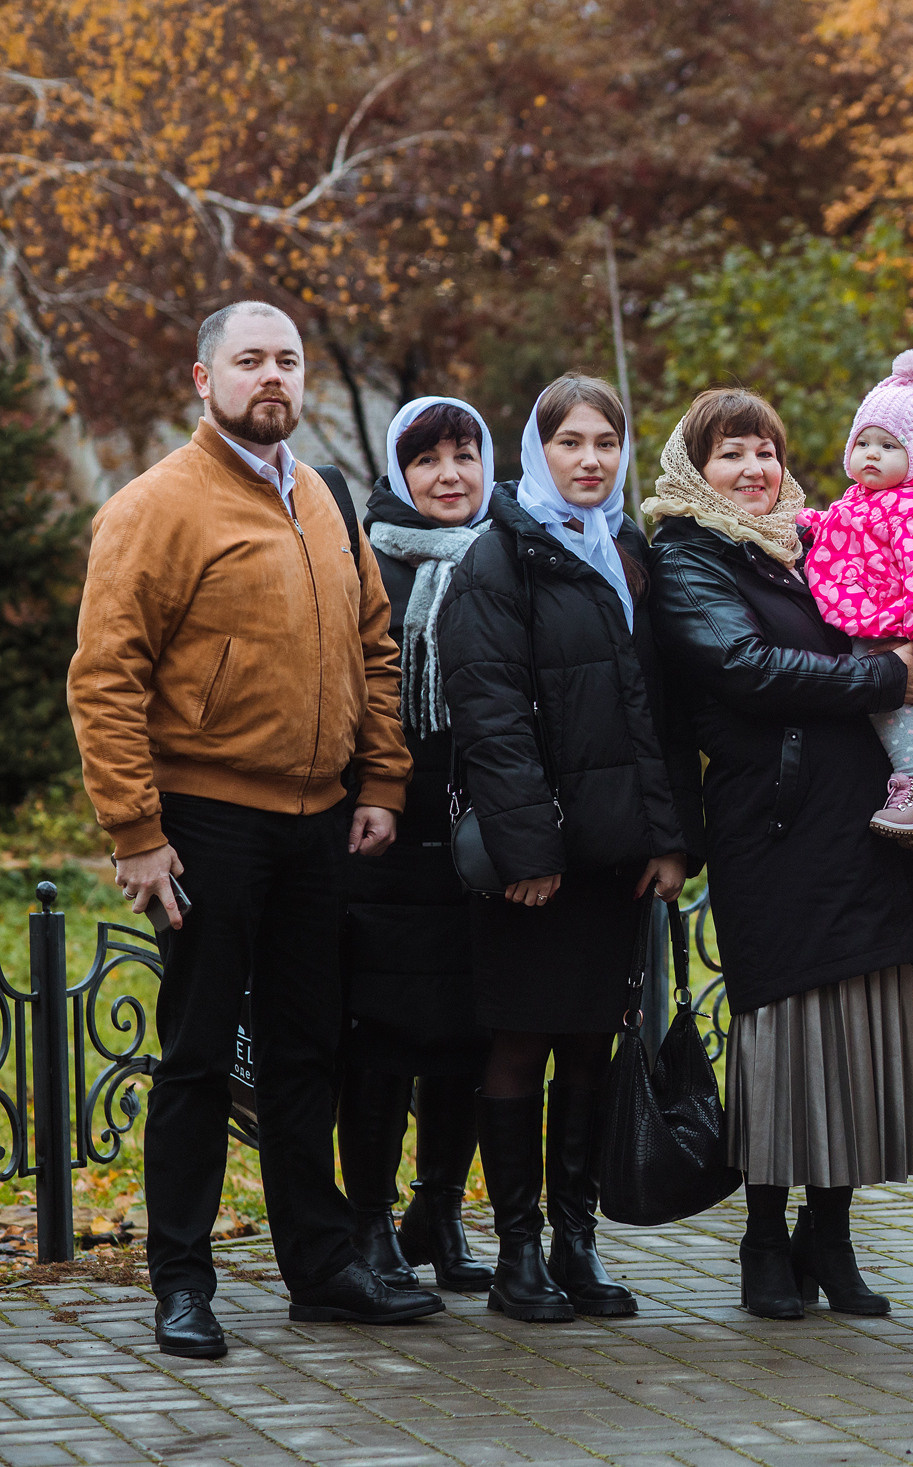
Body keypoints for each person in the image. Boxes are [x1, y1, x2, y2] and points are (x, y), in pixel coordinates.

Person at [67, 300, 443, 1359]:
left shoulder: (319, 495)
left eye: (287, 359)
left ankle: (321, 1271)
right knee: (194, 1057)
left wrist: (382, 781)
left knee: (305, 1053)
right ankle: (182, 1283)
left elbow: (374, 646)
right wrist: (136, 831)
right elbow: (104, 678)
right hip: (206, 824)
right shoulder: (155, 506)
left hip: (320, 822)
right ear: (204, 379)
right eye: (249, 360)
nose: (271, 376)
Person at [647, 387, 913, 1320]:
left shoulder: (811, 543)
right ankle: (765, 1238)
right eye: (731, 453)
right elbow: (745, 669)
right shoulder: (688, 554)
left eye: (766, 452)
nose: (754, 470)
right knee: (781, 1034)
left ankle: (830, 1235)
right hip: (772, 830)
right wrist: (882, 675)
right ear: (697, 467)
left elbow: (885, 609)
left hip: (860, 824)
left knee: (854, 1030)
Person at [439, 374, 700, 1324]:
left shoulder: (629, 549)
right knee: (521, 1043)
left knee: (593, 1044)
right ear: (536, 451)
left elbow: (659, 713)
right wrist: (528, 850)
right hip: (536, 867)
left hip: (617, 858)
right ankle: (517, 1255)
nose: (590, 459)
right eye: (570, 442)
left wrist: (670, 840)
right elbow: (490, 713)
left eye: (605, 442)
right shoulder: (499, 557)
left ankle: (573, 1243)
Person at [338, 396, 500, 1296]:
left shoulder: (504, 556)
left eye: (464, 454)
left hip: (478, 842)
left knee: (469, 1034)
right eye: (429, 458)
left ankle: (437, 1208)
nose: (449, 475)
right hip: (386, 838)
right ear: (400, 474)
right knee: (384, 1036)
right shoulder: (365, 561)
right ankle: (368, 1218)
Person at [799, 348, 913, 841]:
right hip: (864, 617)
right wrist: (801, 524)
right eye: (864, 442)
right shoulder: (860, 499)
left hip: (892, 627)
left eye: (889, 446)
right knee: (879, 702)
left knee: (889, 704)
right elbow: (834, 530)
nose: (872, 454)